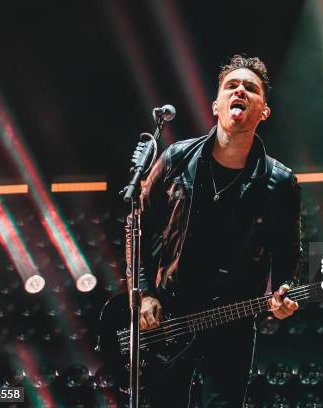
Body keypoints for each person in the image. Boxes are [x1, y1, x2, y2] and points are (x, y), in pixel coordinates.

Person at [126, 54, 302, 407]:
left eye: (250, 89)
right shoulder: (177, 158)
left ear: (263, 111)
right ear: (216, 106)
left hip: (231, 324)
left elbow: (289, 254)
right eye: (231, 86)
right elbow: (137, 225)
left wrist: (286, 291)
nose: (240, 90)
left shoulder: (280, 182)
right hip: (169, 313)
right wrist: (143, 293)